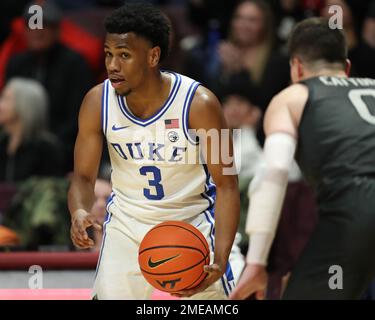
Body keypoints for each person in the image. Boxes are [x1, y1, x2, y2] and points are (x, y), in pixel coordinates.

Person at [68, 3, 244, 300]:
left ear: (153, 56)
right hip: (126, 226)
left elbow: (228, 185)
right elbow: (83, 178)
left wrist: (221, 256)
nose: (112, 65)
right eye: (108, 54)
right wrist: (79, 210)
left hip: (191, 227)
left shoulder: (201, 104)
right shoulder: (96, 102)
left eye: (124, 55)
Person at [230, 17, 375, 300]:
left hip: (355, 208)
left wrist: (256, 261)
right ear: (346, 67)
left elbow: (275, 171)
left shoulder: (293, 96)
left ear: (296, 67)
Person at [0, 77, 63, 181]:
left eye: (6, 99)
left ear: (25, 106)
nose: (0, 105)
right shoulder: (2, 142)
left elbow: (51, 190)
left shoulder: (46, 149)